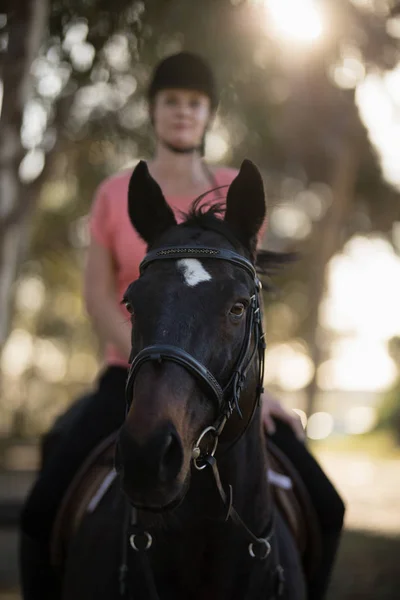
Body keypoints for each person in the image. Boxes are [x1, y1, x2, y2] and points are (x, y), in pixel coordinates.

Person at [19, 51, 344, 600]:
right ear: (153, 110)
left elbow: (244, 305)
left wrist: (253, 392)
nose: (183, 112)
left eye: (195, 103)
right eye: (172, 101)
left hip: (222, 380)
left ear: (208, 113)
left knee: (327, 504)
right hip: (130, 372)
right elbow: (99, 299)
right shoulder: (114, 193)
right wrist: (151, 360)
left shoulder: (231, 193)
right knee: (41, 508)